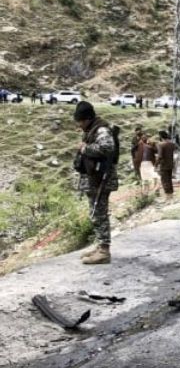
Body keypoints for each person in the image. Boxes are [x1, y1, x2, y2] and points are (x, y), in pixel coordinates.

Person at [73, 101, 118, 265]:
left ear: (87, 119)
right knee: (96, 213)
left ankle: (104, 251)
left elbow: (107, 148)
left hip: (101, 180)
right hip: (94, 180)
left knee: (99, 213)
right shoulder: (93, 129)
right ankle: (100, 246)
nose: (79, 125)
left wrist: (85, 149)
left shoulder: (101, 130)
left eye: (80, 121)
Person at [155, 130, 176, 200]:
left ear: (160, 136)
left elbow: (160, 156)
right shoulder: (172, 144)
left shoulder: (161, 144)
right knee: (169, 180)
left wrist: (156, 164)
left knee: (164, 180)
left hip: (164, 165)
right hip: (171, 164)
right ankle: (171, 195)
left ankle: (168, 196)